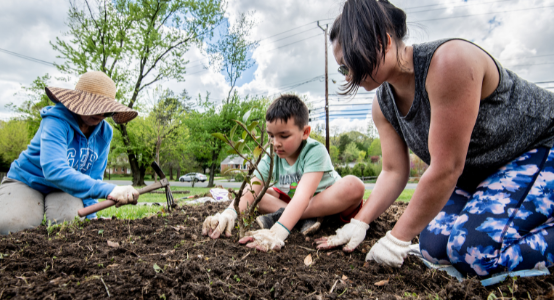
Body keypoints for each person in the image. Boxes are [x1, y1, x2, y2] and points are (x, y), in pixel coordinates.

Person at [316, 0, 554, 277]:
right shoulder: (383, 103)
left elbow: (446, 168)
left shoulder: (449, 62)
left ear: (384, 41)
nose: (351, 75)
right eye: (343, 69)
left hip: (541, 148)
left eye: (352, 62)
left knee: (475, 253)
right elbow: (393, 172)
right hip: (487, 172)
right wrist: (360, 222)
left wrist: (396, 240)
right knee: (434, 247)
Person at [201, 94, 365, 252]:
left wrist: (276, 232)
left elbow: (303, 196)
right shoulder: (271, 153)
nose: (276, 143)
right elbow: (253, 187)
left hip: (329, 204)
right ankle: (302, 219)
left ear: (305, 132)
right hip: (294, 204)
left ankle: (287, 216)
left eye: (284, 136)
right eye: (271, 135)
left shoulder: (315, 151)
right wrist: (229, 214)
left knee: (354, 185)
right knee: (256, 196)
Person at [0, 71, 141, 235]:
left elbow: (93, 179)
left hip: (65, 188)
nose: (100, 114)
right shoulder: (56, 121)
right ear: (79, 102)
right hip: (27, 180)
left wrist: (91, 217)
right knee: (11, 227)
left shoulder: (105, 133)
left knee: (69, 227)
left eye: (106, 110)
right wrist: (109, 190)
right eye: (96, 107)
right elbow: (54, 170)